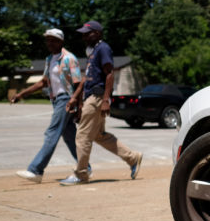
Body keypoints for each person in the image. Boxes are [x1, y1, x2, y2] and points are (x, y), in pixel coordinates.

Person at [60, 20, 143, 185]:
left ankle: (81, 174)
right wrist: (75, 97)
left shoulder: (103, 48)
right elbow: (85, 79)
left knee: (82, 135)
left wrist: (106, 100)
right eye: (82, 34)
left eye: (87, 33)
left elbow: (110, 74)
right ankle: (133, 158)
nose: (84, 36)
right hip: (92, 96)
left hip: (97, 97)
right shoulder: (93, 51)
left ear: (97, 33)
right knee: (99, 135)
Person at [12, 28, 84, 183]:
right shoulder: (49, 59)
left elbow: (79, 83)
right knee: (70, 138)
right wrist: (21, 94)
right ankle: (85, 168)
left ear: (60, 41)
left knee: (52, 133)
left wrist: (79, 106)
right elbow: (43, 82)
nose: (49, 43)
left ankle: (36, 170)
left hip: (67, 99)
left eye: (53, 40)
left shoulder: (69, 58)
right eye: (47, 40)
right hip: (57, 100)